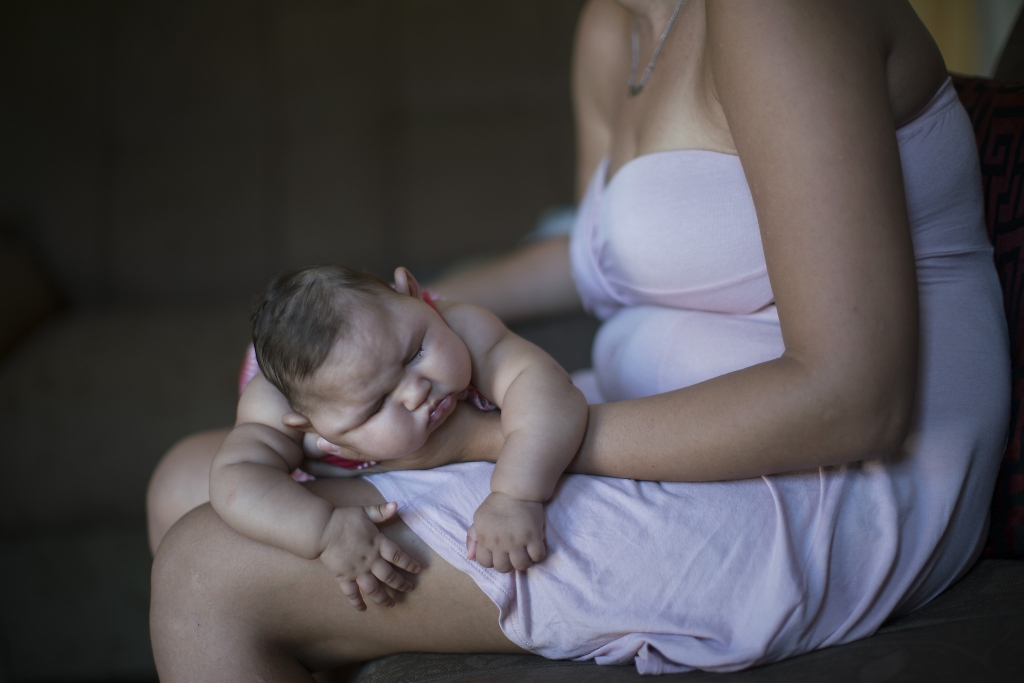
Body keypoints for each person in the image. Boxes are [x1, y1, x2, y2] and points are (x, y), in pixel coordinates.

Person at [147, 0, 1010, 678]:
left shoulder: (772, 10)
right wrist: (369, 334)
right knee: (193, 474)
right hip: (640, 417)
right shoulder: (617, 26)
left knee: (206, 575)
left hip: (824, 479)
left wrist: (488, 438)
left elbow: (854, 402)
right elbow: (606, 249)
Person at [209, 264, 586, 611]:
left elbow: (551, 394)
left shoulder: (463, 327)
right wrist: (322, 531)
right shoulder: (273, 410)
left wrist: (516, 494)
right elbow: (234, 479)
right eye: (376, 405)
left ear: (412, 294)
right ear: (308, 427)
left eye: (414, 354)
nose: (415, 392)